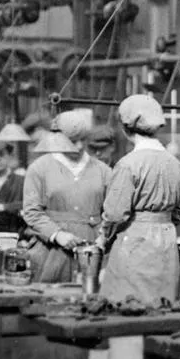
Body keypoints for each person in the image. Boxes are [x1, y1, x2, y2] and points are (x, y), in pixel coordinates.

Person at [91, 94, 180, 359]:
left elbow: (116, 212)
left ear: (125, 128)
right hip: (167, 241)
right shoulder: (174, 163)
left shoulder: (128, 164)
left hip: (134, 240)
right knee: (164, 315)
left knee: (127, 316)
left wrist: (103, 238)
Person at [21, 110, 113, 284]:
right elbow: (32, 213)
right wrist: (57, 234)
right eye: (72, 141)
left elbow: (113, 212)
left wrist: (103, 237)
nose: (78, 146)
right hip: (51, 254)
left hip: (91, 252)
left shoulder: (104, 171)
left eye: (83, 140)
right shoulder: (39, 169)